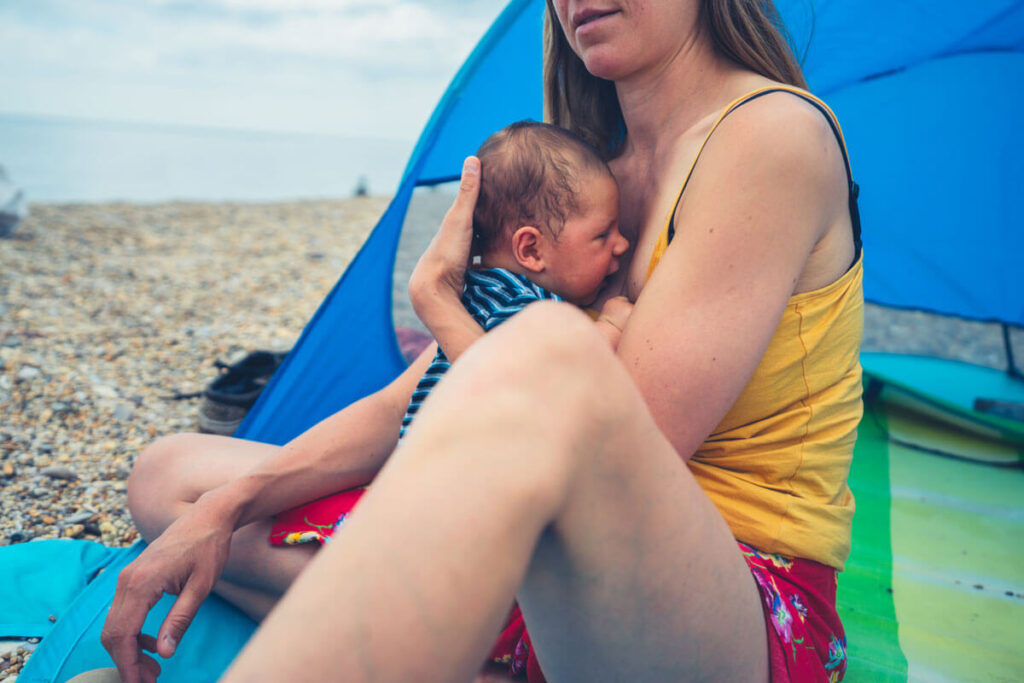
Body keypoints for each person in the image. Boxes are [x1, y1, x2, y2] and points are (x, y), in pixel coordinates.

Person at [103, 1, 863, 682]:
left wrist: (439, 301)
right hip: (539, 555)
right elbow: (409, 403)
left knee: (553, 348)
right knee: (171, 475)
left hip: (729, 601)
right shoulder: (590, 172)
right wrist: (228, 508)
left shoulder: (770, 136)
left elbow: (585, 435)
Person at [267, 120, 630, 550]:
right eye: (602, 234)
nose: (622, 245)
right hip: (449, 510)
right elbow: (550, 384)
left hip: (419, 489)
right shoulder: (526, 310)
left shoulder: (478, 297)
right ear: (531, 250)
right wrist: (611, 326)